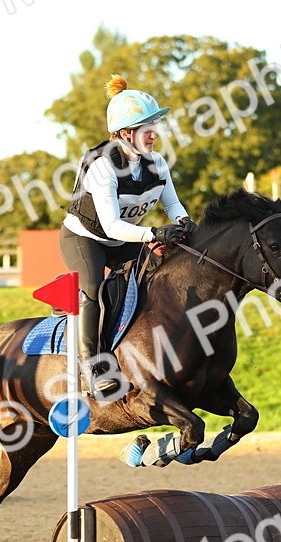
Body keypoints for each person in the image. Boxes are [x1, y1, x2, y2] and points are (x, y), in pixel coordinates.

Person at [60, 74, 198, 394]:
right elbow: (110, 227)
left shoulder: (157, 163)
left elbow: (172, 204)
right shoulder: (103, 166)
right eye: (148, 127)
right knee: (92, 286)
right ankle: (92, 366)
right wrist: (153, 233)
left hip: (123, 240)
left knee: (164, 272)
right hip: (85, 239)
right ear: (126, 133)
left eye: (155, 126)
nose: (154, 134)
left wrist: (185, 222)